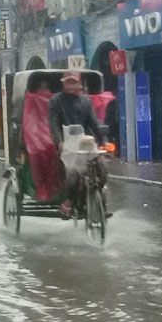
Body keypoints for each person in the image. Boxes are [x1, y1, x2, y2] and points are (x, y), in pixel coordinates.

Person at [49, 71, 104, 216]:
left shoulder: (85, 102)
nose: (72, 85)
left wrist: (102, 141)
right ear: (64, 83)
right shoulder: (56, 101)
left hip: (86, 142)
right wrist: (59, 141)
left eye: (74, 82)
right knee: (74, 175)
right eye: (69, 82)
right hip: (67, 144)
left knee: (103, 170)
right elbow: (53, 124)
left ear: (79, 84)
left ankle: (98, 201)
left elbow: (93, 122)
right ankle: (69, 202)